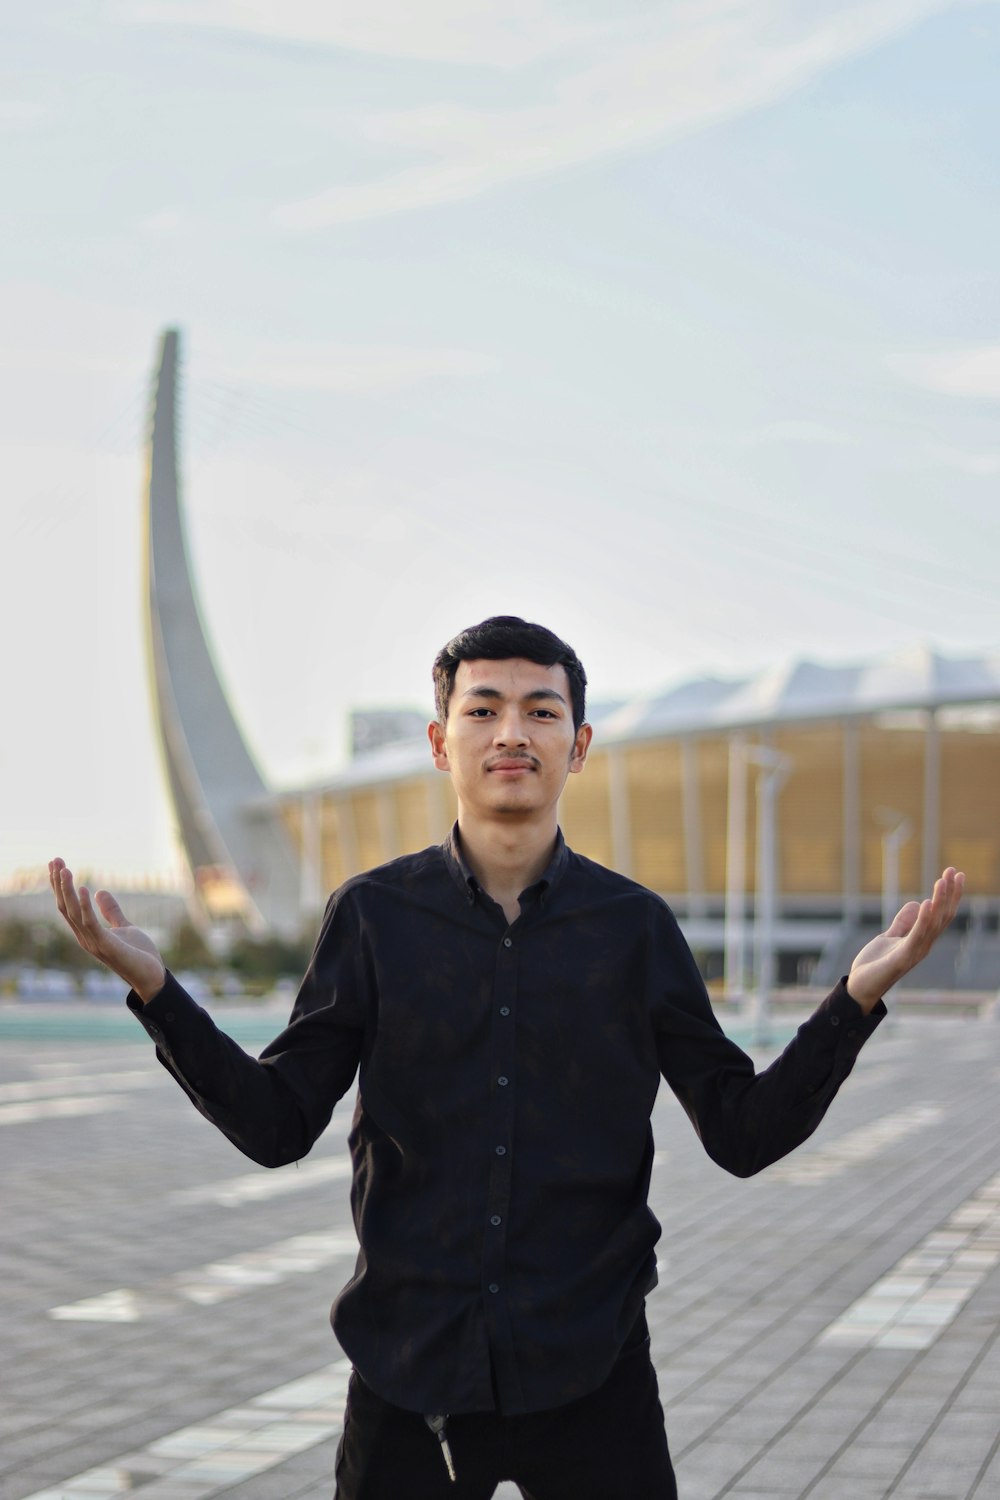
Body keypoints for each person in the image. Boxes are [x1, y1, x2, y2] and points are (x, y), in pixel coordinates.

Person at [50, 616, 964, 1500]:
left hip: (592, 1372)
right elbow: (279, 1121)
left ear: (581, 743)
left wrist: (853, 1000)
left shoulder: (634, 929)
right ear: (442, 743)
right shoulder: (373, 917)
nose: (512, 733)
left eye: (541, 709)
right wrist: (159, 994)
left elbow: (741, 1131)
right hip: (409, 1375)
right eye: (483, 710)